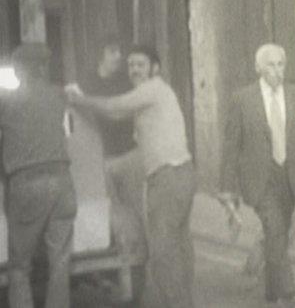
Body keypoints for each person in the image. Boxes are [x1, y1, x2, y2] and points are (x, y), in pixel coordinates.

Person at [66, 45, 196, 308]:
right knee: (179, 246)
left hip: (168, 176)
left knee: (162, 253)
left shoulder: (153, 89)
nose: (134, 70)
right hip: (179, 173)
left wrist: (79, 100)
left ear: (154, 68)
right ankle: (184, 301)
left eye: (141, 64)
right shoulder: (152, 93)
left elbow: (114, 108)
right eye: (131, 65)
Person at [219, 44, 295, 307]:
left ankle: (270, 291)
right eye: (271, 65)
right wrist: (227, 188)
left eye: (281, 65)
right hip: (260, 180)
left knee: (279, 233)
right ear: (258, 68)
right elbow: (231, 146)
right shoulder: (242, 100)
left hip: (291, 178)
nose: (277, 71)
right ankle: (287, 295)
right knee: (275, 230)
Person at [0, 43, 76, 308]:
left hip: (27, 182)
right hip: (63, 182)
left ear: (19, 70)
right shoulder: (57, 96)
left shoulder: (6, 100)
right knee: (59, 265)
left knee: (20, 267)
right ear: (44, 68)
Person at [80, 37, 147, 267]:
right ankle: (119, 257)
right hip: (102, 158)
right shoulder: (87, 83)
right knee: (111, 212)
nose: (119, 56)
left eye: (120, 51)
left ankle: (138, 264)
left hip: (129, 154)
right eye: (112, 51)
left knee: (137, 210)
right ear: (101, 54)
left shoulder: (125, 81)